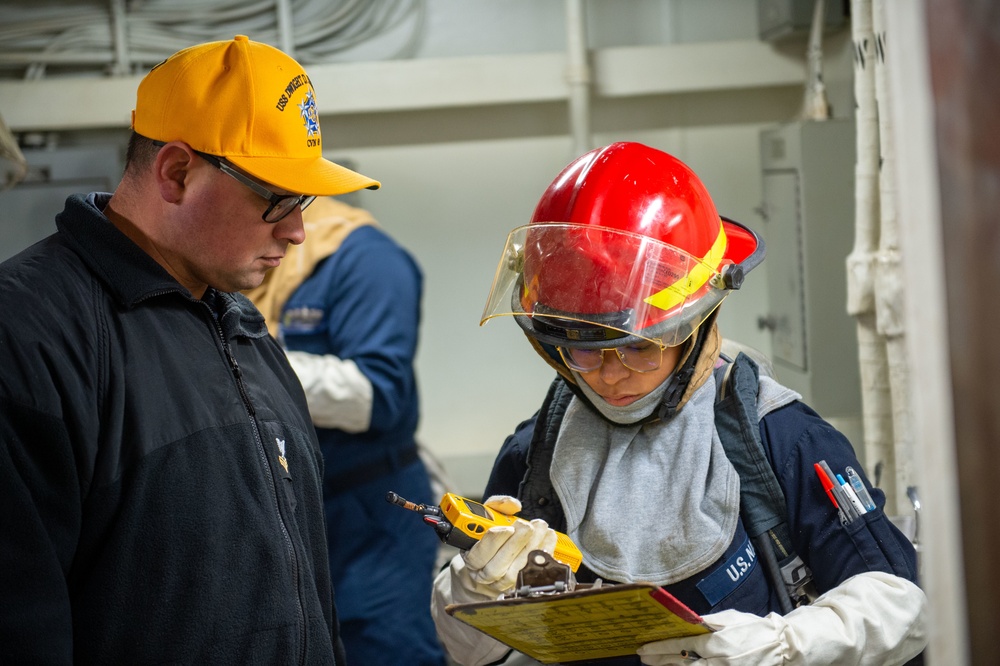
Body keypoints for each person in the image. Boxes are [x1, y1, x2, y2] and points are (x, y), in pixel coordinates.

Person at [430, 142, 927, 665]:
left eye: (640, 346)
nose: (612, 374)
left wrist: (782, 647)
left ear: (695, 325)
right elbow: (481, 654)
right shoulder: (535, 458)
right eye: (585, 349)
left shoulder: (781, 441)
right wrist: (471, 592)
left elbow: (903, 605)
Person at [0, 35, 382, 664]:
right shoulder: (30, 333)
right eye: (275, 199)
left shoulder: (248, 336)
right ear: (176, 172)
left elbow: (308, 595)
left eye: (303, 201)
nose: (297, 231)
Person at [246, 195, 446, 666]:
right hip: (287, 513)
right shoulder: (249, 257)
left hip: (370, 512)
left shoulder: (367, 259)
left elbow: (378, 398)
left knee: (383, 646)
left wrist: (253, 362)